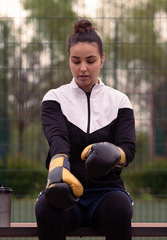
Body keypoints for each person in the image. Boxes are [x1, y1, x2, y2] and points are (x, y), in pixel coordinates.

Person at [35, 18, 136, 240]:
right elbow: (58, 139)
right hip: (66, 190)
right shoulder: (54, 98)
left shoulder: (120, 101)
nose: (83, 68)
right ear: (68, 60)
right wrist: (58, 166)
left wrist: (114, 154)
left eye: (90, 61)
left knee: (120, 209)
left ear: (102, 59)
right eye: (76, 61)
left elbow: (128, 149)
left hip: (107, 192)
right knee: (45, 209)